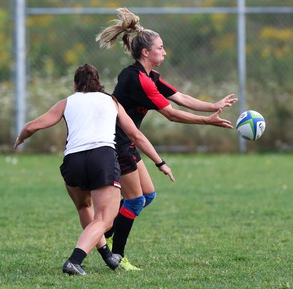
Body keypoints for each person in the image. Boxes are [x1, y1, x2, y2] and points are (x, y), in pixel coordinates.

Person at [96, 8, 238, 271]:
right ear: (146, 53)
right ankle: (116, 255)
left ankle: (105, 232)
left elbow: (180, 97)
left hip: (127, 142)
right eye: (161, 48)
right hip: (116, 143)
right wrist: (208, 121)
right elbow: (171, 114)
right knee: (136, 200)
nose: (165, 51)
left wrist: (212, 105)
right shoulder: (137, 80)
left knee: (147, 196)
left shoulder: (149, 76)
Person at [13, 64, 174, 276]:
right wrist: (160, 162)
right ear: (98, 83)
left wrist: (21, 139)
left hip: (72, 160)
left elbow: (32, 126)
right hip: (102, 158)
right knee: (105, 219)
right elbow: (136, 136)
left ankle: (107, 255)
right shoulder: (111, 101)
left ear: (75, 84)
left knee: (83, 207)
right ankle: (74, 260)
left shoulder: (67, 102)